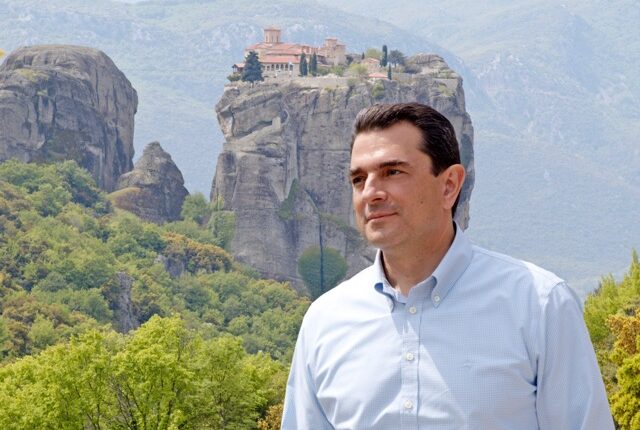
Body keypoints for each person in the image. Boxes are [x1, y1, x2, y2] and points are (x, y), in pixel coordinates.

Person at [281, 102, 614, 429]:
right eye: (358, 179)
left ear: (450, 185)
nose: (370, 193)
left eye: (392, 172)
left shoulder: (539, 306)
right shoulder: (325, 322)